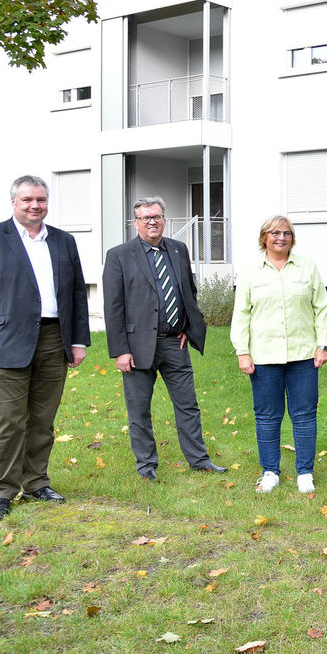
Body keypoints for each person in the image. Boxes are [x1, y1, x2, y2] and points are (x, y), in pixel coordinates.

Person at [0, 175, 89, 521]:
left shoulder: (63, 241)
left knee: (42, 420)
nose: (35, 206)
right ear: (14, 202)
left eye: (41, 200)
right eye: (28, 200)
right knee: (5, 423)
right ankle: (1, 491)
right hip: (4, 344)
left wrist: (77, 340)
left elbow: (76, 292)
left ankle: (36, 482)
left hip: (52, 340)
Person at [102, 196, 226, 480]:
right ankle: (147, 466)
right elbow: (113, 306)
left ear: (164, 219)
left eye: (156, 216)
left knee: (188, 405)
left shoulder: (179, 250)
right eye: (145, 218)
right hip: (136, 347)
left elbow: (188, 292)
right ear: (136, 222)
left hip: (174, 343)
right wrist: (120, 350)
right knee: (139, 410)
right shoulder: (119, 255)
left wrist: (186, 325)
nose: (152, 222)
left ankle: (199, 460)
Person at [230, 216, 327, 494]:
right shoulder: (251, 271)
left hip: (303, 356)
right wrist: (243, 352)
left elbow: (321, 307)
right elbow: (241, 315)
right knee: (267, 416)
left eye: (286, 233)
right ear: (264, 237)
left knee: (304, 415)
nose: (281, 238)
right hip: (264, 357)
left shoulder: (307, 267)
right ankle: (270, 471)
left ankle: (305, 473)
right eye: (275, 233)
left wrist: (323, 345)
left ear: (292, 238)